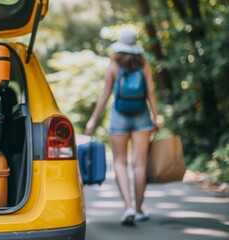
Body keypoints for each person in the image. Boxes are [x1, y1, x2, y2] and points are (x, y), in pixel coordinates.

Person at [85, 28, 159, 225]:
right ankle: (139, 208)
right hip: (142, 116)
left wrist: (93, 120)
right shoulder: (144, 65)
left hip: (119, 118)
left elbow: (105, 94)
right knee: (139, 164)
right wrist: (156, 117)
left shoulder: (114, 66)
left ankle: (127, 207)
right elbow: (151, 93)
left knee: (119, 162)